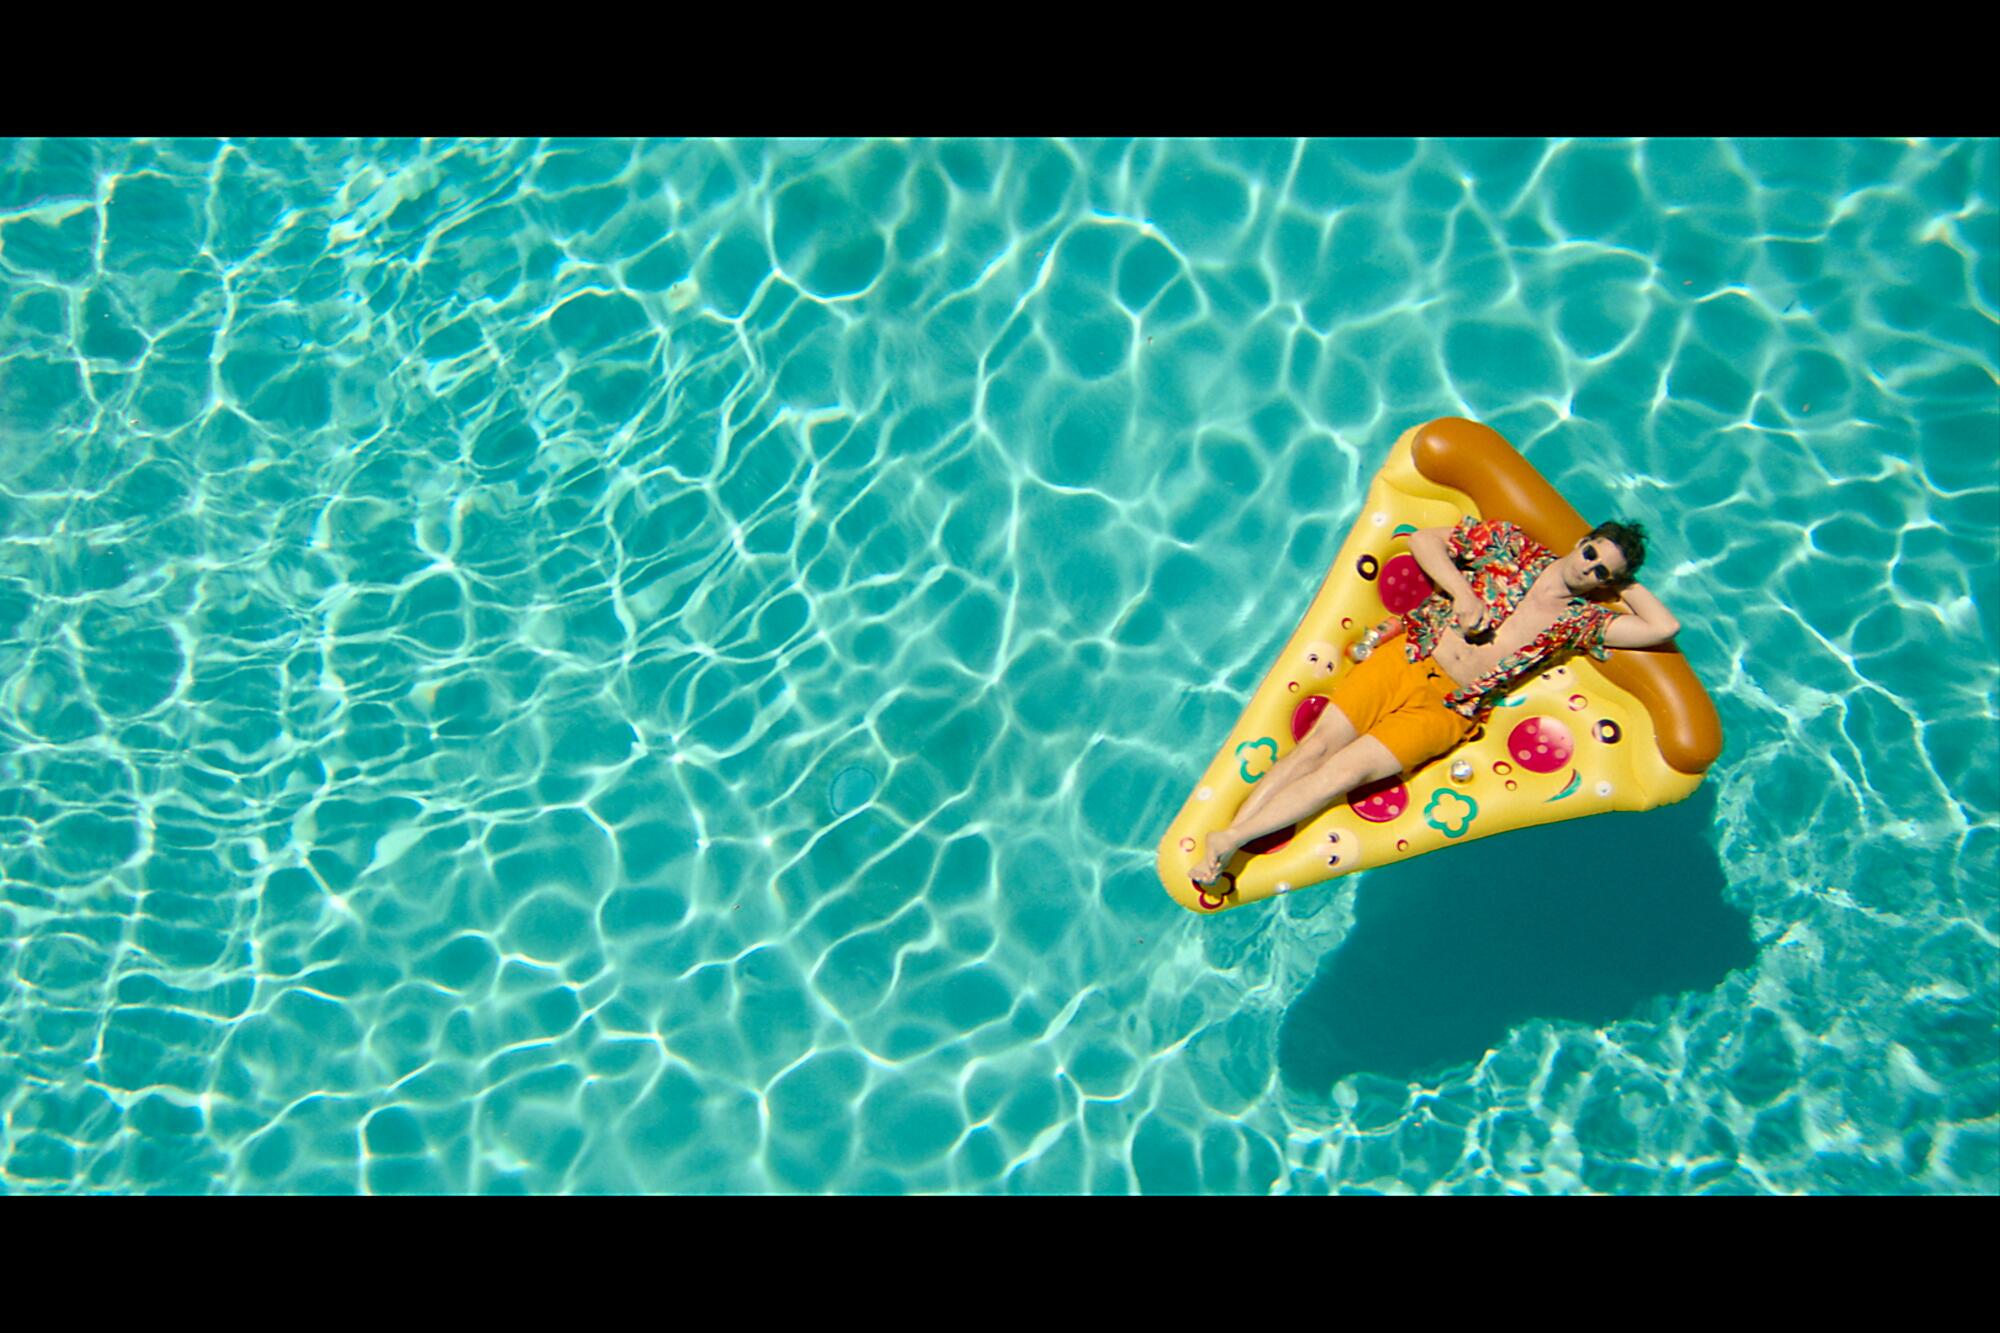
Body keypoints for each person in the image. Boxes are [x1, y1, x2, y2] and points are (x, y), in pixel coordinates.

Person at [1190, 516, 1683, 886]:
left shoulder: (1580, 621)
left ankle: (1230, 841)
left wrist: (1624, 580)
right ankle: (1230, 837)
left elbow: (1663, 628)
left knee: (1344, 774)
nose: (1590, 569)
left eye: (1603, 573)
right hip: (1409, 656)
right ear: (1580, 542)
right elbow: (1422, 541)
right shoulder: (1511, 545)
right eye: (1592, 553)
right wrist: (1464, 593)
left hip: (1449, 709)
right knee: (1317, 747)